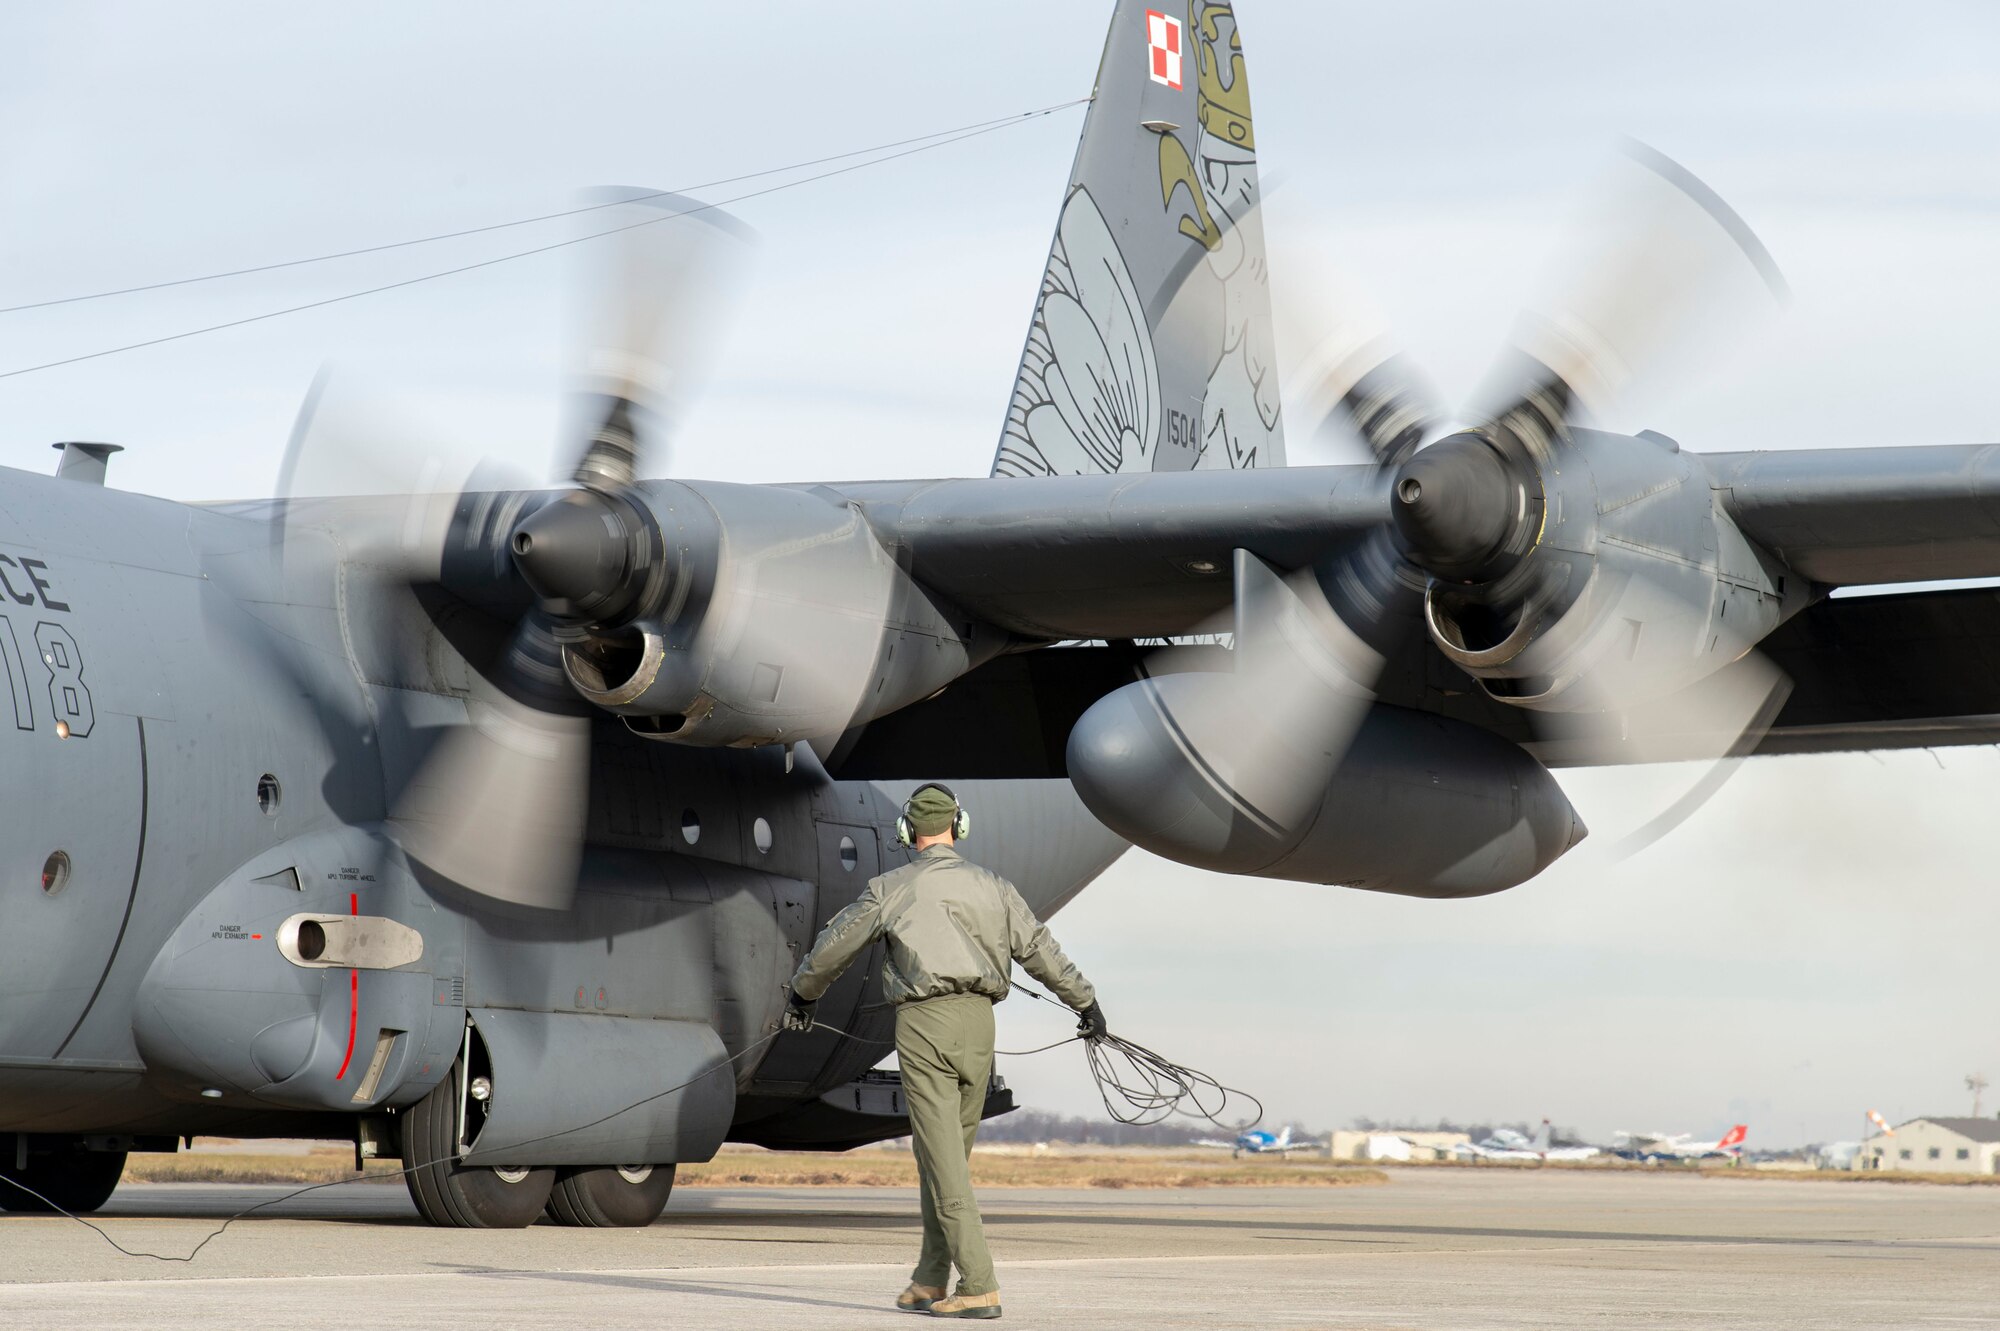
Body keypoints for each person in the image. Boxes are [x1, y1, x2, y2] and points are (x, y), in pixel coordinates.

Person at [784, 783, 1105, 1320]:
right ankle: (930, 1278)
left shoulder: (891, 887)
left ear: (908, 832)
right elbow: (1040, 950)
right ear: (959, 828)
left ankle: (979, 1283)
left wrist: (802, 992)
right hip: (980, 1028)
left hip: (924, 1024)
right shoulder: (996, 887)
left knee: (943, 1162)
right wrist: (1086, 1001)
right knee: (940, 1155)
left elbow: (835, 943)